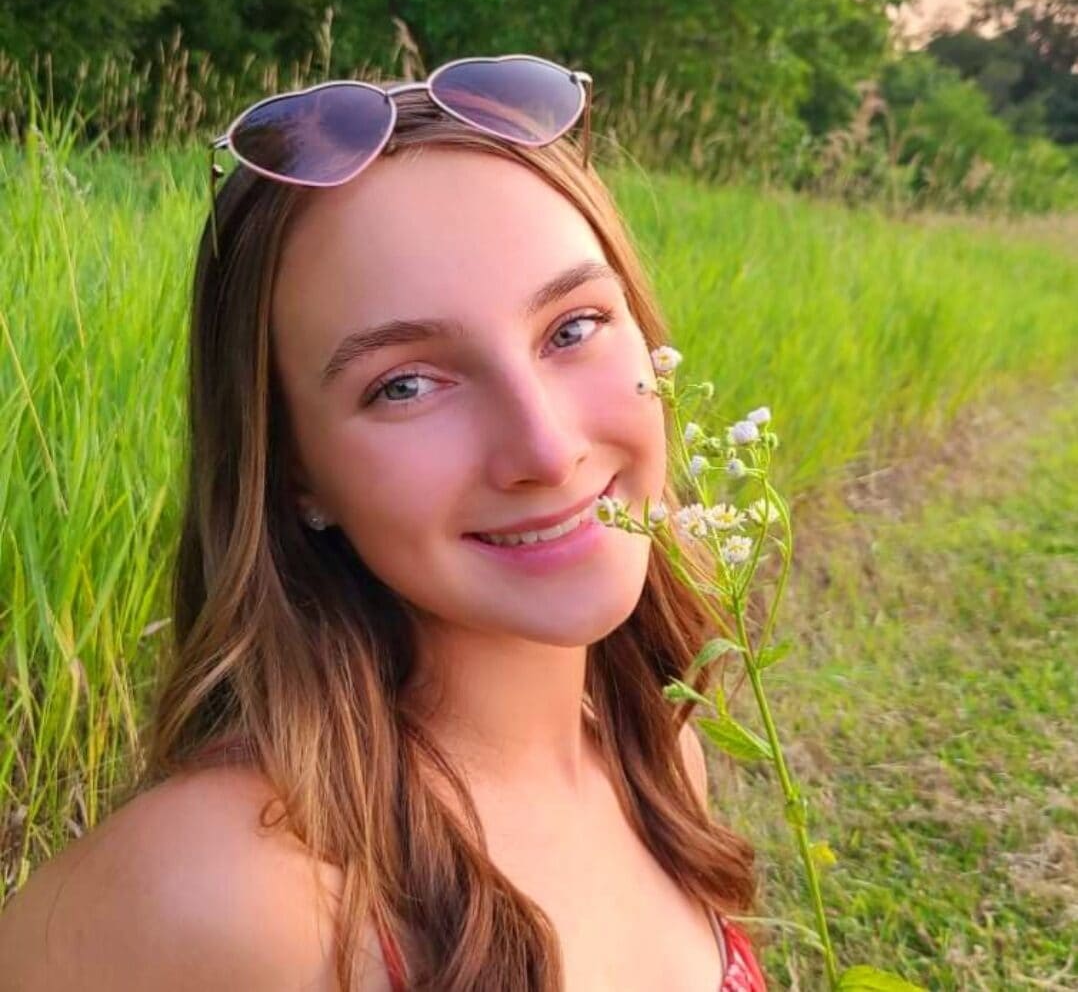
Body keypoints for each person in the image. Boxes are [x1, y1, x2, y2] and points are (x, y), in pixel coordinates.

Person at [0, 55, 766, 990]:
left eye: (572, 327)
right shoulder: (231, 892)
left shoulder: (662, 752)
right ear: (292, 473)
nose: (547, 446)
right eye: (404, 384)